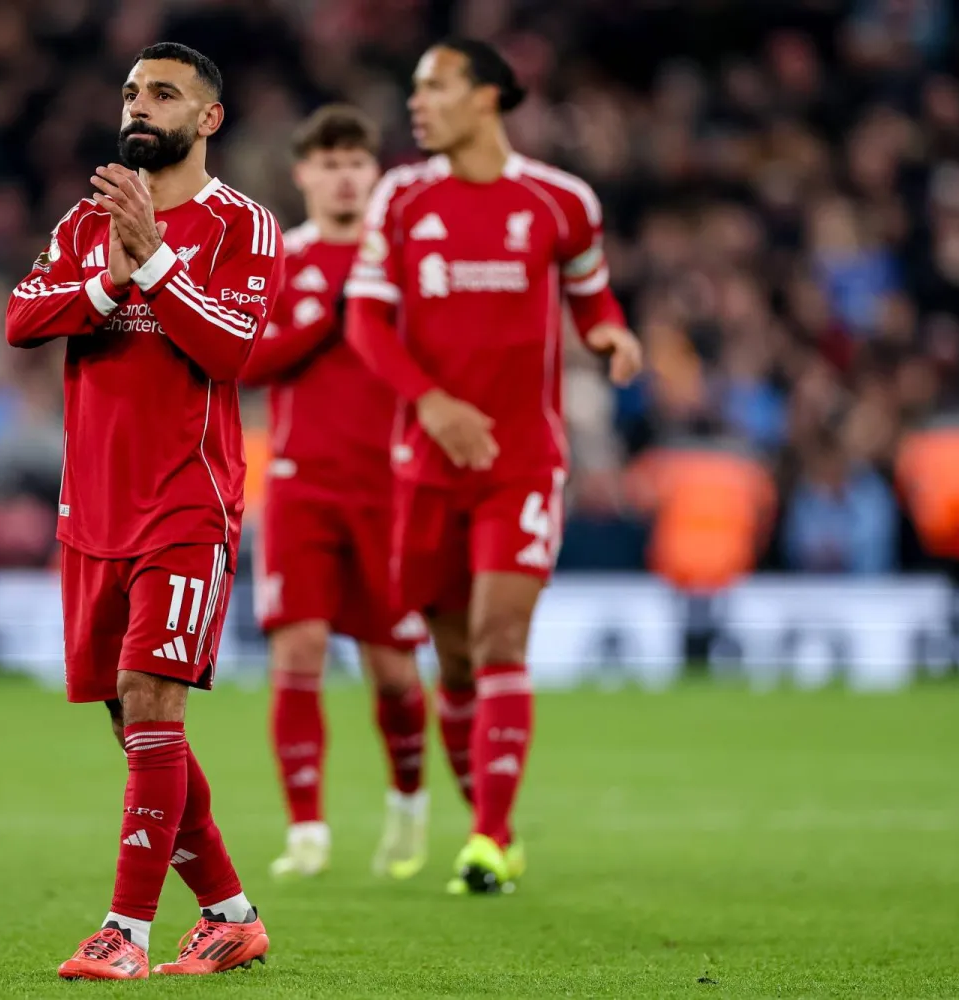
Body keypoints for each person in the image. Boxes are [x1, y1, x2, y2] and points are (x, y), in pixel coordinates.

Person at [6, 42, 283, 980]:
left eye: (163, 93)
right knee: (136, 723)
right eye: (131, 91)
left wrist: (157, 261)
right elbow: (22, 319)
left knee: (154, 706)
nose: (140, 105)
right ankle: (231, 914)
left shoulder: (243, 224)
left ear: (208, 119)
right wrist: (113, 276)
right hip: (92, 508)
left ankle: (124, 933)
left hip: (186, 504)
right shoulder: (90, 220)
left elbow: (231, 351)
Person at [345, 38, 644, 895]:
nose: (417, 102)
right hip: (425, 464)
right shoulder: (400, 199)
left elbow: (592, 292)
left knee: (500, 637)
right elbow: (365, 324)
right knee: (456, 658)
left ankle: (489, 836)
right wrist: (431, 403)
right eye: (414, 88)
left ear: (487, 98)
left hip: (522, 463)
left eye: (434, 86)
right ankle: (490, 820)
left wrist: (610, 333)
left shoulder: (560, 201)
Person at [239, 105, 437, 881]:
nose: (344, 175)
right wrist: (329, 323)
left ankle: (409, 806)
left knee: (393, 669)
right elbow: (244, 363)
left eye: (357, 160)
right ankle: (307, 829)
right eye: (328, 162)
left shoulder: (408, 266)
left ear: (375, 174)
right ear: (303, 175)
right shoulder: (282, 262)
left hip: (391, 490)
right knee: (299, 648)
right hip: (300, 488)